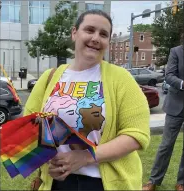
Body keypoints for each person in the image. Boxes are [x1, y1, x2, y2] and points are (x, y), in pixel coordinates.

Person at [24, 9, 150, 191]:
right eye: (90, 30)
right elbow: (29, 127)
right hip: (56, 183)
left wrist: (85, 157)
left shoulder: (121, 78)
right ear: (74, 33)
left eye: (103, 34)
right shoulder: (49, 77)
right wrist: (48, 158)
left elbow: (137, 135)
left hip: (103, 183)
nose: (96, 38)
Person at [143, 41, 184, 191]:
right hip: (176, 106)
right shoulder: (176, 51)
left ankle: (181, 183)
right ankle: (153, 181)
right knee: (166, 145)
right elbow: (169, 76)